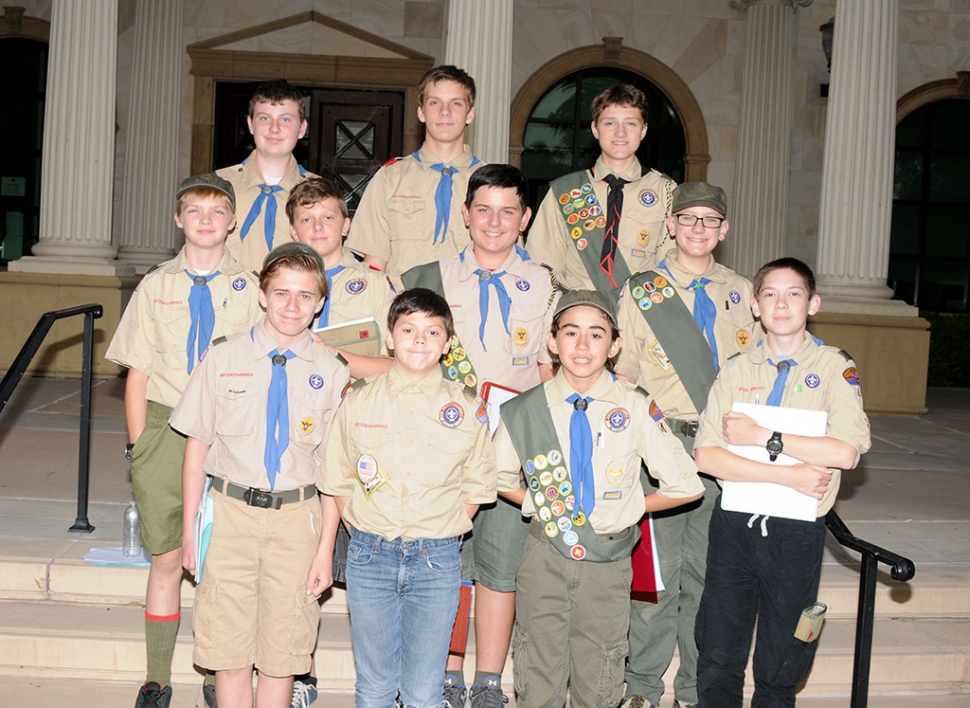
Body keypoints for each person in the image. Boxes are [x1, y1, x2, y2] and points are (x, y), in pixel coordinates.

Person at [492, 290, 704, 708]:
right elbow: (494, 477)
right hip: (543, 552)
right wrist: (537, 504)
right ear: (552, 342)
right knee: (537, 660)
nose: (583, 346)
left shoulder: (636, 406)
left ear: (615, 345)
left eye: (596, 334)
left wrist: (631, 508)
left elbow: (687, 485)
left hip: (608, 561)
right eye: (571, 333)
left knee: (603, 666)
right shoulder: (525, 409)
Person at [401, 164, 559, 708]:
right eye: (483, 209)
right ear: (465, 214)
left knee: (500, 563)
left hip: (510, 447)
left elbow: (546, 373)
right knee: (446, 563)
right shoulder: (427, 277)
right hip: (440, 443)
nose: (495, 221)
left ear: (526, 217)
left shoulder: (543, 284)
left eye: (508, 210)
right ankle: (447, 671)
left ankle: (489, 679)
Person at [105, 173, 263, 708]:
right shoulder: (156, 286)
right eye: (194, 211)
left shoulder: (251, 287)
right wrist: (139, 447)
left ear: (233, 221)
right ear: (178, 219)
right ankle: (156, 678)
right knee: (168, 556)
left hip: (230, 430)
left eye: (217, 212)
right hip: (164, 425)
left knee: (224, 558)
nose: (205, 221)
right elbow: (138, 374)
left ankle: (223, 675)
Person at [172, 243, 351, 708]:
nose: (292, 305)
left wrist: (325, 549)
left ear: (320, 302)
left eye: (305, 295)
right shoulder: (223, 358)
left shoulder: (332, 372)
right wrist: (190, 529)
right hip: (229, 515)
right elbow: (197, 449)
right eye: (281, 292)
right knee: (227, 651)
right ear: (262, 295)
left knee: (283, 652)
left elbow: (334, 474)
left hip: (297, 520)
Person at [691, 258, 871, 707]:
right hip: (734, 525)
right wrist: (787, 471)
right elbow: (708, 455)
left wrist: (762, 438)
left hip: (796, 531)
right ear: (755, 305)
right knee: (717, 648)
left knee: (781, 657)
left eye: (794, 294)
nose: (781, 303)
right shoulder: (735, 369)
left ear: (813, 303)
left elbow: (844, 452)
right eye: (770, 294)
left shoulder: (834, 368)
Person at [615, 182, 757, 708]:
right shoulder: (642, 288)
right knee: (655, 574)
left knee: (707, 573)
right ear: (670, 225)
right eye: (688, 218)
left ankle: (696, 689)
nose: (698, 228)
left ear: (724, 230)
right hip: (663, 441)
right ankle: (644, 687)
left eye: (709, 220)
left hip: (721, 445)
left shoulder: (742, 292)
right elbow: (625, 373)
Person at [319, 288, 497, 708]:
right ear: (390, 338)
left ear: (448, 343)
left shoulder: (468, 410)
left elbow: (476, 486)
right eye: (409, 329)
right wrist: (358, 522)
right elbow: (339, 476)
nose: (420, 340)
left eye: (433, 331)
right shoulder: (359, 400)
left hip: (436, 559)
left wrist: (440, 526)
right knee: (375, 686)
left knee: (423, 690)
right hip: (370, 554)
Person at [285, 176, 394, 708]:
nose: (318, 228)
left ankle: (381, 678)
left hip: (357, 434)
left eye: (328, 217)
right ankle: (298, 673)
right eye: (307, 219)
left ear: (346, 225)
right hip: (291, 437)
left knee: (364, 561)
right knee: (301, 559)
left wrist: (330, 357)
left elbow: (404, 361)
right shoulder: (277, 286)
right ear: (292, 227)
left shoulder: (371, 284)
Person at [527, 84, 675, 306]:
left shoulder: (666, 191)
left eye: (631, 123)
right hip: (576, 314)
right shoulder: (565, 191)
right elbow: (542, 266)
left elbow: (670, 267)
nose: (620, 133)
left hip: (640, 315)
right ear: (595, 129)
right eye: (609, 123)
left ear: (643, 130)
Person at [346, 65, 483, 290]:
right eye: (434, 102)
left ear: (470, 113)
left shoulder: (493, 183)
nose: (445, 111)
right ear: (421, 112)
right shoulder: (390, 178)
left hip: (470, 314)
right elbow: (374, 268)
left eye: (456, 103)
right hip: (406, 313)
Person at [218, 80, 316, 272]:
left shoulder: (322, 193)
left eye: (285, 119)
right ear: (250, 124)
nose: (274, 128)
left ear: (302, 129)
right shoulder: (218, 186)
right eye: (264, 118)